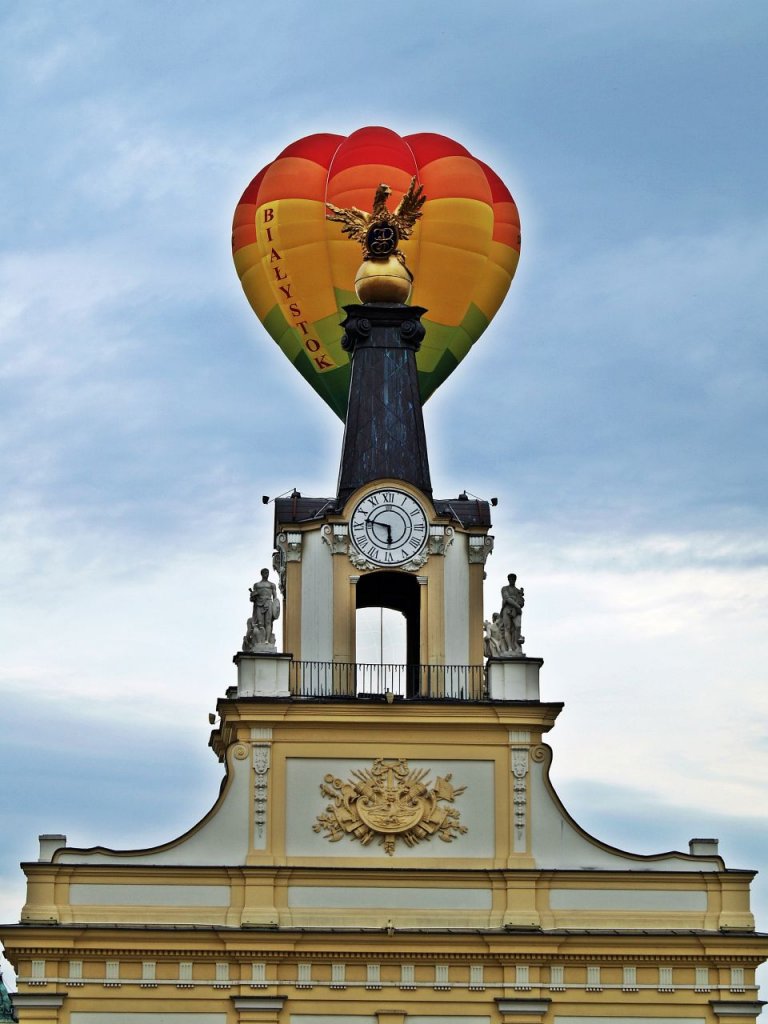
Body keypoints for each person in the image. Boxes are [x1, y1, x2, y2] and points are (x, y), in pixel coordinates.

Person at [245, 568, 279, 647]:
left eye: (267, 572)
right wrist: (253, 596)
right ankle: (261, 640)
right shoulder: (257, 585)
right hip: (259, 604)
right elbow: (252, 599)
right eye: (265, 572)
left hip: (268, 603)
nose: (266, 574)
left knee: (268, 622)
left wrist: (275, 609)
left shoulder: (271, 585)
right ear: (262, 574)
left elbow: (275, 598)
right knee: (260, 623)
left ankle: (267, 640)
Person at [499, 573, 525, 654]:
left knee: (517, 626)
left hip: (516, 611)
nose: (512, 580)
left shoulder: (518, 591)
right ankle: (509, 648)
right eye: (510, 579)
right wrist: (517, 605)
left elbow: (522, 603)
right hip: (507, 609)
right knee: (508, 628)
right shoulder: (504, 588)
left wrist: (520, 600)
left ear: (515, 580)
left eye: (513, 579)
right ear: (508, 580)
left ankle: (516, 644)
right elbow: (507, 598)